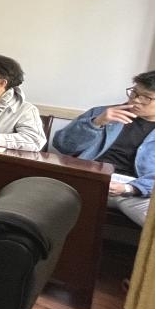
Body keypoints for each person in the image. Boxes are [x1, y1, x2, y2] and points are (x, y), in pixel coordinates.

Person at [53, 71, 154, 225]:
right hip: (90, 180)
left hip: (136, 191)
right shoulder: (101, 113)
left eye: (146, 97)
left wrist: (130, 188)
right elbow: (62, 145)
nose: (136, 100)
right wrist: (96, 123)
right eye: (134, 92)